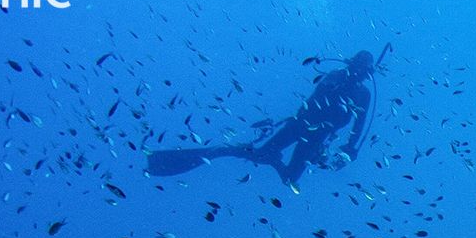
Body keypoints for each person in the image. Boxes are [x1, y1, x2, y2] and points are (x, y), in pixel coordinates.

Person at [147, 49, 381, 184]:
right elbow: (314, 100)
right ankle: (228, 150)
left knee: (290, 179)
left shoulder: (364, 95)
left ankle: (266, 157)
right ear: (353, 65)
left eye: (365, 71)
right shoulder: (336, 76)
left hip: (318, 138)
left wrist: (350, 150)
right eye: (360, 69)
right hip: (299, 126)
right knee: (260, 156)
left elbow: (359, 126)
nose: (361, 74)